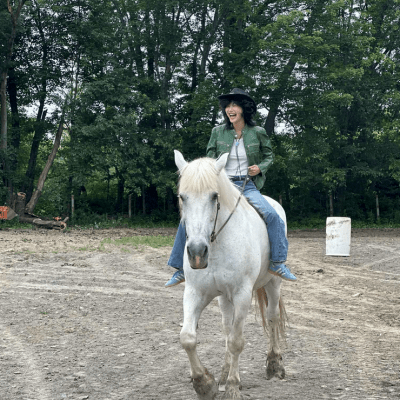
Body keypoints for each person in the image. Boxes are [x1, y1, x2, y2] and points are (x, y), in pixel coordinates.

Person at [165, 88, 297, 287]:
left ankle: (278, 263)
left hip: (247, 185)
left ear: (244, 109)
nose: (230, 109)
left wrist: (259, 168)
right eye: (227, 106)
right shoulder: (217, 132)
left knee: (272, 216)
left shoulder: (258, 132)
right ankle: (179, 269)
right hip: (222, 185)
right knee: (189, 218)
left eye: (234, 105)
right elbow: (209, 158)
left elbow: (270, 156)